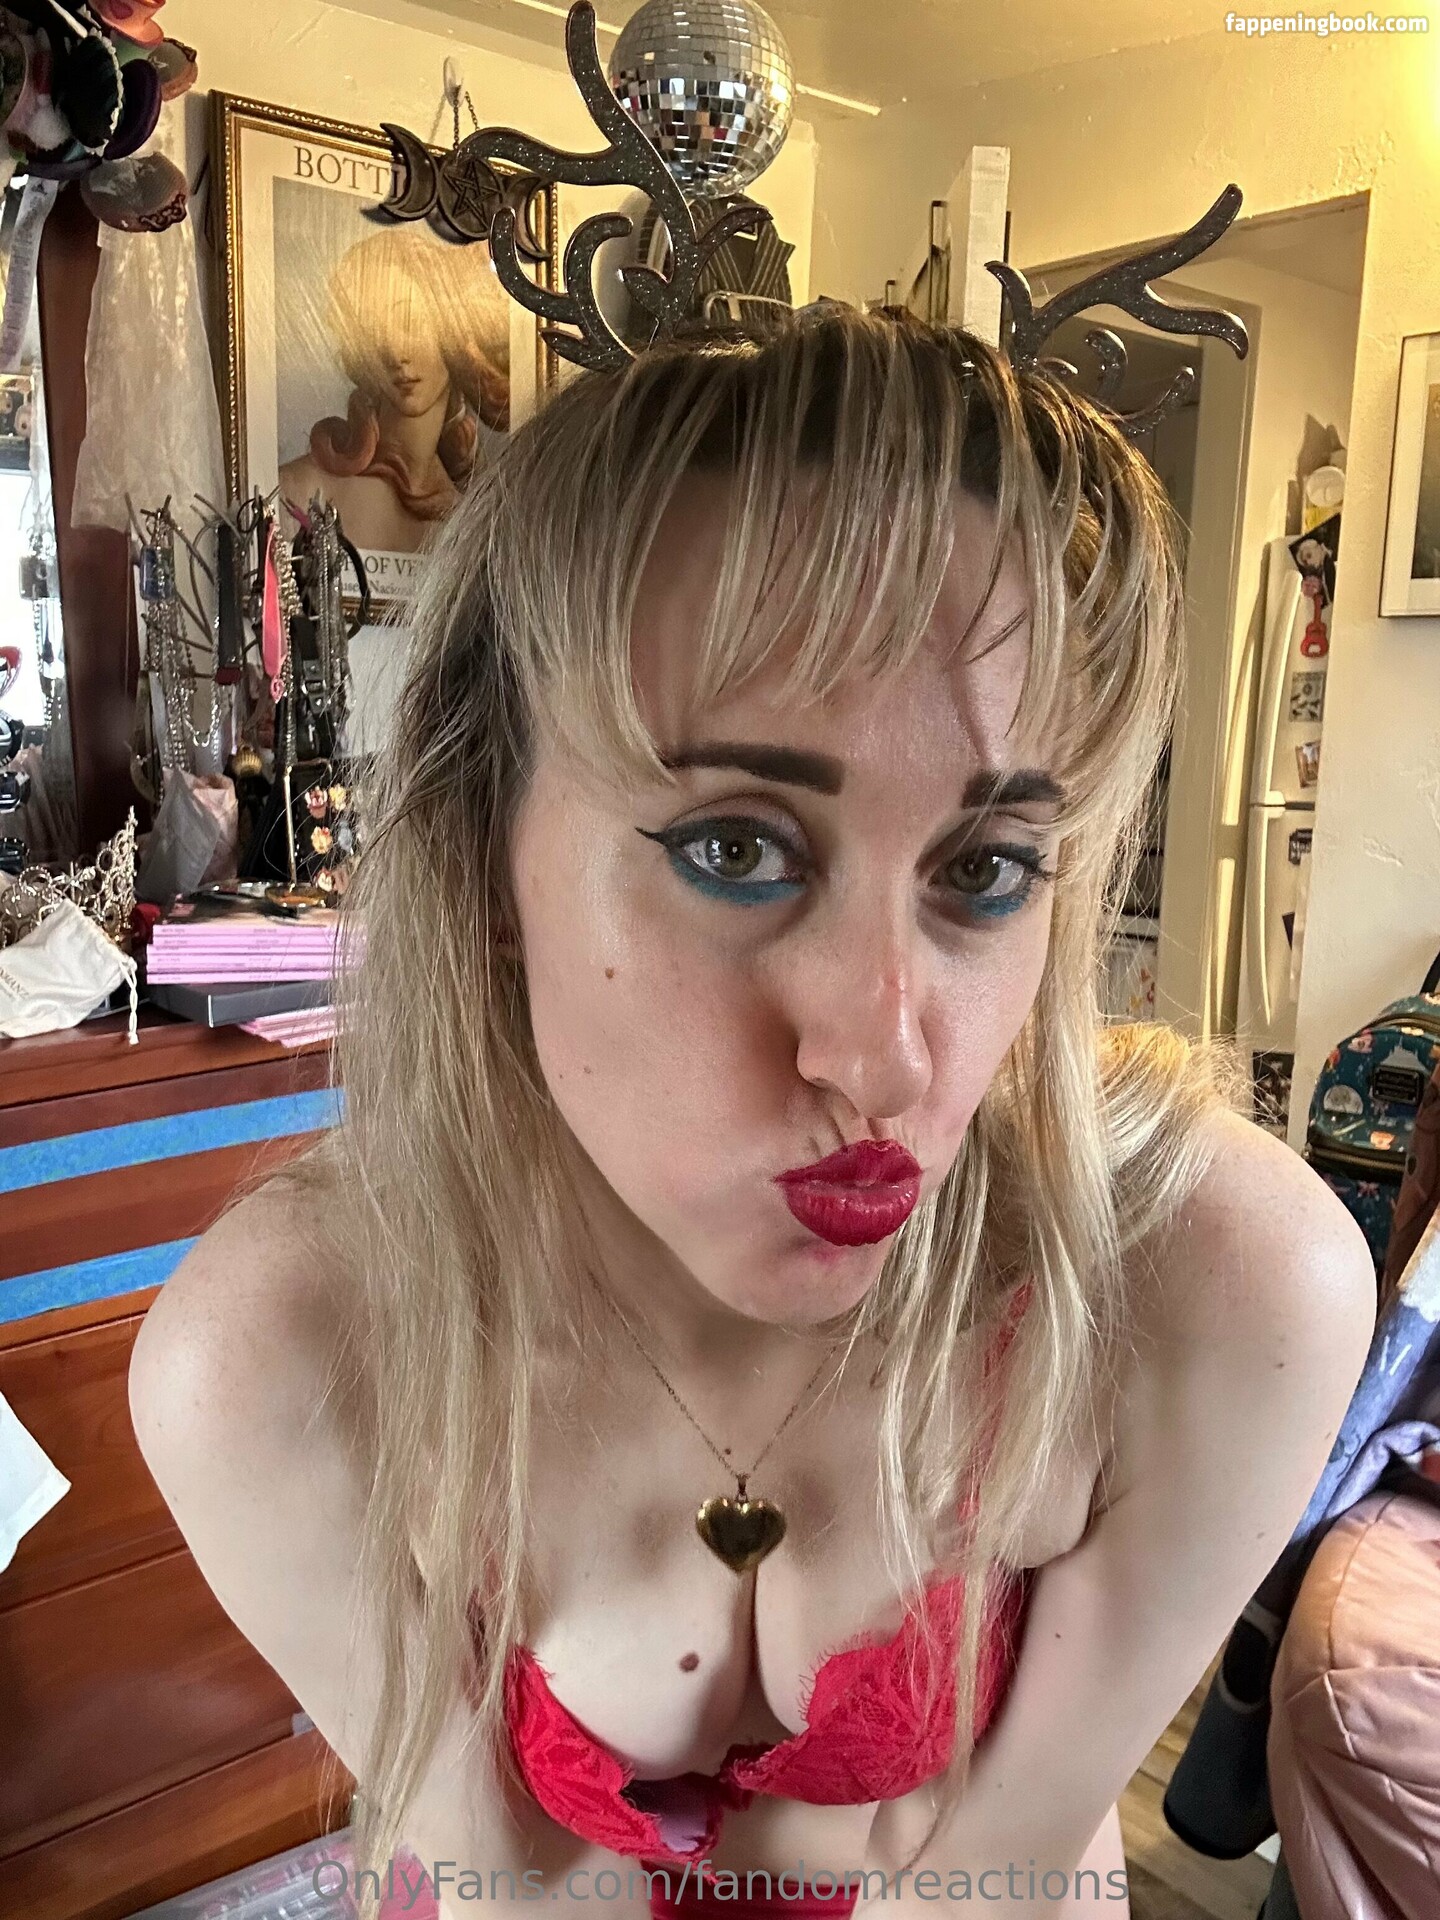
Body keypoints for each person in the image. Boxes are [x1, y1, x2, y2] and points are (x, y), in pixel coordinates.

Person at [129, 309, 1375, 1919]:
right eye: (736, 848)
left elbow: (987, 1887)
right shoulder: (283, 1353)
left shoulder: (1205, 1283)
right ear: (484, 861)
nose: (887, 1060)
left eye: (986, 869)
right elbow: (505, 1889)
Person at [278, 224, 510, 557]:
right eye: (374, 332)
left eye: (410, 322)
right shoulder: (300, 489)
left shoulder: (479, 519)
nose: (396, 353)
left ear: (452, 334)